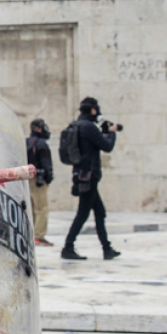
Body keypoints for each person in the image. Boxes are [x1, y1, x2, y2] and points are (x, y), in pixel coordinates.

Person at [62, 97, 120, 261]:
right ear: (93, 110)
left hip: (81, 174)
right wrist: (111, 132)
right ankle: (68, 247)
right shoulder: (89, 127)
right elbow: (107, 146)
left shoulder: (76, 125)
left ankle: (107, 248)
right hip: (89, 176)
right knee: (83, 214)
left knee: (99, 212)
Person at [26, 118, 55, 247]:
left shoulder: (26, 141)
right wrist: (48, 179)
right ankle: (39, 235)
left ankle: (30, 234)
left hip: (25, 178)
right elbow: (46, 163)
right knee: (42, 208)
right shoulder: (41, 143)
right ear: (38, 128)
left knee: (31, 208)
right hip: (38, 179)